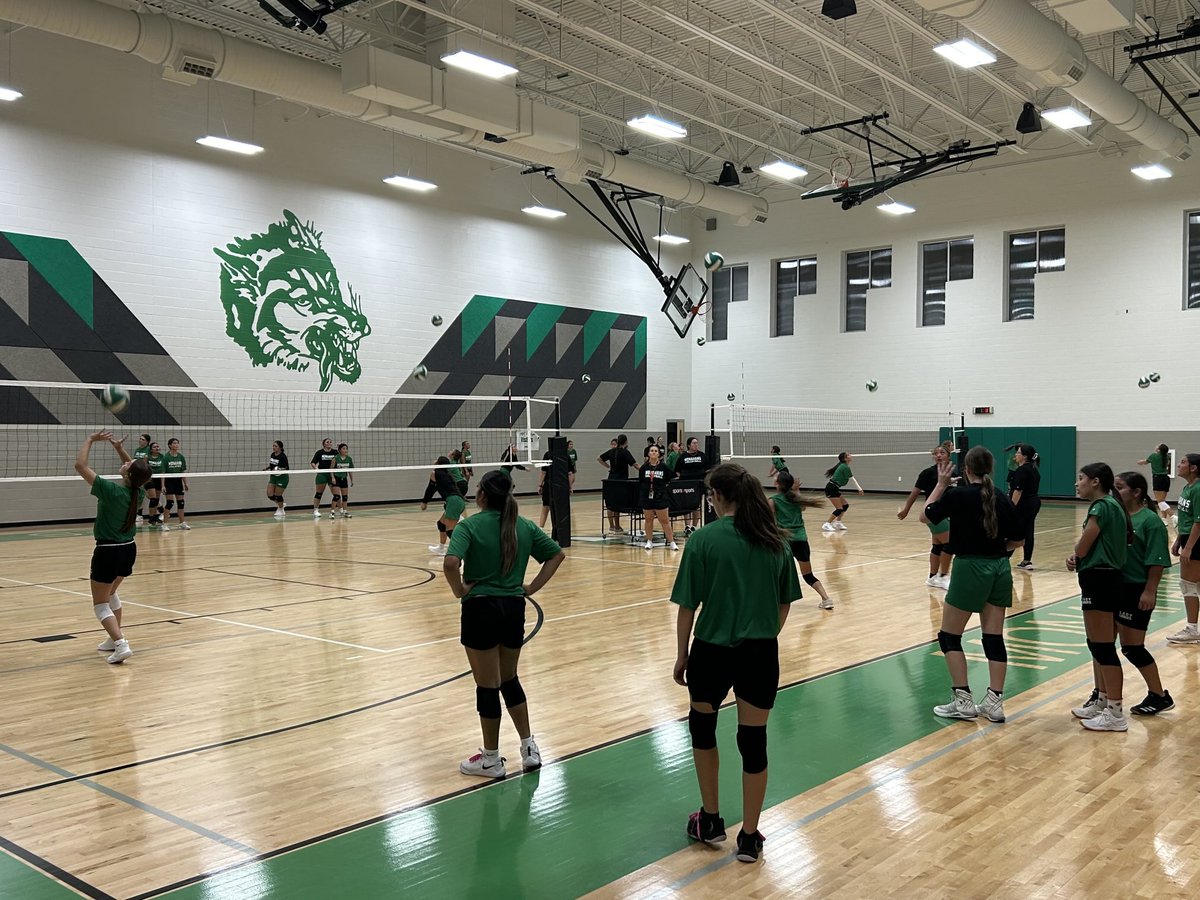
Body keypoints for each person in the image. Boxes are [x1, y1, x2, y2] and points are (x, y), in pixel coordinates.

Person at [672, 462, 800, 864]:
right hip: (760, 654)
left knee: (703, 730)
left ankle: (709, 819)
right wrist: (763, 633)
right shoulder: (775, 541)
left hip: (711, 651)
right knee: (753, 742)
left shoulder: (703, 540)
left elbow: (687, 607)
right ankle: (749, 837)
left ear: (718, 497)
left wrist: (682, 656)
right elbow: (784, 604)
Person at [443, 469, 565, 778]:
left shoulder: (468, 526)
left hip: (480, 609)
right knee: (509, 679)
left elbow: (450, 563)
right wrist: (531, 588)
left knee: (488, 686)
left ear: (482, 495)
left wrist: (459, 591)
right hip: (513, 608)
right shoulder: (522, 525)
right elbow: (556, 555)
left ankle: (491, 759)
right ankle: (528, 748)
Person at [924, 446, 1024, 722]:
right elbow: (1018, 540)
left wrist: (941, 485)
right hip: (1000, 568)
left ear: (966, 469)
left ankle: (963, 701)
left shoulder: (959, 495)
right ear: (990, 468)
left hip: (970, 567)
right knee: (993, 637)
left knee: (949, 636)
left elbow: (926, 514)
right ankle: (994, 703)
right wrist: (999, 553)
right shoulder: (1001, 497)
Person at [1075, 471, 1172, 716]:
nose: (1115, 491)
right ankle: (1101, 695)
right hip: (1114, 585)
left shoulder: (1150, 521)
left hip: (1136, 588)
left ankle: (1159, 695)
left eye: (1120, 487)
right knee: (1100, 644)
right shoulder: (1116, 514)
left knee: (1132, 647)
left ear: (1137, 492)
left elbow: (1157, 560)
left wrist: (1150, 590)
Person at [74, 431, 151, 664]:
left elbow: (80, 465)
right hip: (128, 550)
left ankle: (121, 644)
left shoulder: (111, 491)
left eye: (128, 465)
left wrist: (89, 440)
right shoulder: (140, 493)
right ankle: (113, 638)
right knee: (112, 593)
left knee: (100, 604)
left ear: (127, 473)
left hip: (108, 551)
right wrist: (119, 450)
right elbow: (137, 472)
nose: (126, 463)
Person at [1066, 463, 1133, 732]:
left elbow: (1086, 540)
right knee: (1097, 644)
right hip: (1104, 578)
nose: (1076, 483)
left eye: (1080, 478)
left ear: (1095, 482)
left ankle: (1115, 713)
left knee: (1103, 646)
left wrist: (1075, 556)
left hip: (1100, 578)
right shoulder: (1112, 506)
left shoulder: (1102, 506)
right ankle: (1104, 701)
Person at [769, 471, 833, 610]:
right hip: (801, 540)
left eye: (775, 478)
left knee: (775, 573)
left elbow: (767, 519)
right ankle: (826, 599)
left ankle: (772, 601)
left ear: (777, 483)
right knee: (808, 575)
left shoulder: (773, 500)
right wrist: (796, 491)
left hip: (784, 541)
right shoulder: (796, 499)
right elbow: (802, 507)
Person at [898, 441, 957, 590]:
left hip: (948, 514)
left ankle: (932, 577)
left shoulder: (953, 474)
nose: (938, 455)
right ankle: (944, 576)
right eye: (936, 453)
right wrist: (906, 509)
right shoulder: (927, 473)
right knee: (949, 544)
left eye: (942, 453)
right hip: (933, 513)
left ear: (948, 455)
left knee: (937, 545)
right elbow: (915, 492)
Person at [1167, 453, 1200, 644]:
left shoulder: (1198, 489)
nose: (1178, 465)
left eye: (1183, 462)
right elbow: (1187, 518)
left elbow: (1198, 522)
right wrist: (1179, 539)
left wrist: (1188, 548)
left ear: (1193, 468)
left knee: (1188, 584)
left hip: (1196, 540)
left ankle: (1192, 629)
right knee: (1195, 584)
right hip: (1189, 537)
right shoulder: (1188, 487)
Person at [1009, 444, 1041, 571]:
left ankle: (1003, 558)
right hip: (1034, 503)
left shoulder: (1022, 470)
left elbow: (1018, 491)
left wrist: (1010, 508)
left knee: (1013, 531)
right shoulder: (1033, 468)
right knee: (1028, 530)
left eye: (1018, 453)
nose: (1015, 455)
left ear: (1024, 456)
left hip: (1024, 504)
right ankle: (1027, 560)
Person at [639, 444, 677, 550]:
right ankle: (649, 541)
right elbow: (641, 481)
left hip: (660, 497)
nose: (654, 452)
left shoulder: (664, 467)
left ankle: (672, 542)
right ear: (648, 454)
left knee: (664, 520)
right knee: (648, 519)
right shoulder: (644, 468)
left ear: (659, 454)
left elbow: (669, 479)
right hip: (647, 497)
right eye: (652, 451)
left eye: (656, 451)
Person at [598, 435, 637, 534]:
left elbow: (599, 458)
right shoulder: (625, 452)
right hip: (621, 481)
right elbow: (634, 464)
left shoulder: (612, 451)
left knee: (610, 504)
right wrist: (645, 471)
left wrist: (608, 467)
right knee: (618, 504)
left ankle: (612, 526)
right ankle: (617, 525)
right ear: (626, 442)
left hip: (611, 480)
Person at [429, 456, 466, 556]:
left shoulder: (441, 472)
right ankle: (441, 548)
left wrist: (425, 501)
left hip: (456, 495)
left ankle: (464, 547)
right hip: (453, 497)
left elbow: (431, 488)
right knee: (441, 524)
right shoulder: (443, 472)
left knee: (449, 529)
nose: (434, 460)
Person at [674, 437, 709, 536]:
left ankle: (694, 526)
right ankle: (687, 526)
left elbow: (708, 468)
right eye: (694, 443)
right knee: (687, 504)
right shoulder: (683, 456)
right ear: (689, 445)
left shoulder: (702, 455)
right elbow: (677, 470)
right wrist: (681, 478)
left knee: (696, 505)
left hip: (698, 484)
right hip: (687, 484)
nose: (696, 445)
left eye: (697, 443)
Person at [822, 452, 863, 532]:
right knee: (839, 509)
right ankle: (827, 524)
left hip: (834, 488)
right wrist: (860, 489)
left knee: (845, 505)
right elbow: (852, 479)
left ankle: (837, 522)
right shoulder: (845, 467)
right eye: (848, 455)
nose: (850, 455)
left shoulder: (844, 466)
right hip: (831, 488)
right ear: (845, 459)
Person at [1137, 443, 1173, 527]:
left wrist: (1139, 462)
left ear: (1159, 450)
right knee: (1162, 500)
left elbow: (1145, 462)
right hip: (1166, 479)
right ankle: (1164, 520)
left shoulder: (1153, 456)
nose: (1156, 446)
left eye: (1158, 446)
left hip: (1158, 479)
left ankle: (1173, 516)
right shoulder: (1167, 457)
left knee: (1160, 501)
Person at [161, 438, 190, 531]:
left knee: (181, 503)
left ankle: (182, 523)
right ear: (170, 445)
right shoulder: (166, 457)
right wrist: (163, 485)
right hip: (169, 481)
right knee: (170, 503)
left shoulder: (181, 457)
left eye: (177, 443)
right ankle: (164, 524)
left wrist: (185, 483)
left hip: (178, 481)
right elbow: (163, 473)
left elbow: (182, 471)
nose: (176, 445)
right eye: (174, 443)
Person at [311, 438, 337, 518]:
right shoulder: (320, 452)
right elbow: (313, 463)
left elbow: (341, 458)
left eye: (330, 442)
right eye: (327, 442)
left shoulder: (335, 452)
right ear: (324, 444)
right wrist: (316, 469)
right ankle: (316, 510)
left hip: (332, 474)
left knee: (336, 494)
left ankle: (339, 510)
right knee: (319, 493)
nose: (329, 443)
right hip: (322, 474)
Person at [265, 440, 289, 518]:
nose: (273, 447)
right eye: (273, 446)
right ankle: (281, 504)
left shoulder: (283, 456)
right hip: (273, 476)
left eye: (275, 446)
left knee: (278, 495)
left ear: (280, 448)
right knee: (269, 494)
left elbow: (286, 468)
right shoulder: (272, 454)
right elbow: (272, 464)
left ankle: (281, 509)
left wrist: (278, 469)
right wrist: (267, 468)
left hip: (282, 477)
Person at [144, 440, 165, 528]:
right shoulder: (147, 457)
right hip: (149, 479)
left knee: (156, 499)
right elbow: (144, 469)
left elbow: (163, 471)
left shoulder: (162, 457)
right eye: (155, 447)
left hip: (158, 480)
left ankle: (155, 517)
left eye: (157, 446)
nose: (157, 448)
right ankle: (151, 518)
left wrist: (163, 485)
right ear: (151, 449)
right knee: (153, 498)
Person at [331, 443, 354, 518]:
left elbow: (350, 470)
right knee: (336, 496)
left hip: (344, 478)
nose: (345, 450)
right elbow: (330, 469)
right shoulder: (335, 458)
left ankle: (345, 512)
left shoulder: (349, 459)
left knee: (345, 497)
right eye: (343, 448)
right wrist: (333, 478)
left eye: (346, 448)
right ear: (340, 450)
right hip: (336, 478)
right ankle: (332, 512)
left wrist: (351, 480)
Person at [132, 434, 152, 523]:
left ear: (147, 442)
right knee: (139, 494)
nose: (140, 440)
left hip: (146, 475)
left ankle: (160, 509)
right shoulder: (137, 450)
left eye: (142, 439)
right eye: (140, 439)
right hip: (137, 475)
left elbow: (146, 462)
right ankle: (139, 515)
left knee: (148, 494)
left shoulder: (148, 450)